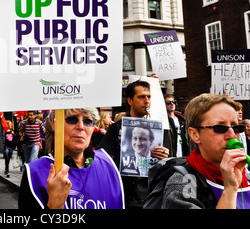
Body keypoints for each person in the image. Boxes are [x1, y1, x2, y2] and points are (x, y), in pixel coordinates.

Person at [18, 108, 124, 209]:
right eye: (72, 119)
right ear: (55, 124)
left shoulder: (108, 165)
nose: (81, 126)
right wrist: (53, 206)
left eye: (88, 121)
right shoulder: (35, 173)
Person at [158, 93, 249, 209]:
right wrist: (230, 189)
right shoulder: (183, 183)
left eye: (236, 127)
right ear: (195, 135)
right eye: (219, 127)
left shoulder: (246, 175)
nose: (231, 135)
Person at [97, 79, 169, 209]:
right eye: (141, 97)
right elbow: (103, 158)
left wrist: (165, 155)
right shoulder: (116, 128)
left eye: (149, 97)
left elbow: (165, 161)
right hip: (125, 192)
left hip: (149, 192)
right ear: (130, 100)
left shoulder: (156, 129)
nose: (146, 101)